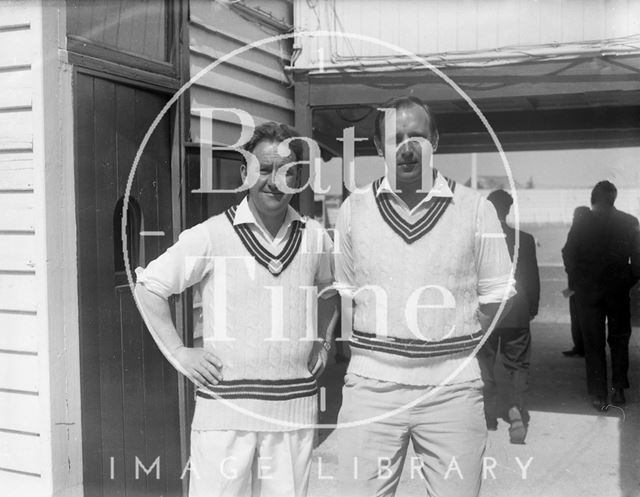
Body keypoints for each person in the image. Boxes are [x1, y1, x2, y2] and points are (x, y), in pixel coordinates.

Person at [134, 122, 338, 497]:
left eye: (286, 171)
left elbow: (328, 291)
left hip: (292, 414)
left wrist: (323, 343)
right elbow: (149, 287)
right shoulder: (212, 234)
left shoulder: (314, 237)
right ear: (245, 173)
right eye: (264, 168)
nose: (274, 181)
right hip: (225, 416)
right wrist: (179, 352)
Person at [334, 96, 515, 497]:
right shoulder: (354, 209)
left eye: (417, 135)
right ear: (379, 148)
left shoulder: (475, 208)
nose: (407, 146)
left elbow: (496, 295)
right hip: (371, 386)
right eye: (395, 138)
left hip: (452, 390)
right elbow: (347, 291)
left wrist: (453, 348)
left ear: (435, 139)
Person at [562, 181, 640, 411]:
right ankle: (618, 389)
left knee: (593, 343)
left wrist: (577, 282)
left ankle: (599, 394)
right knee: (619, 340)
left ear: (593, 198)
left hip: (588, 292)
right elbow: (638, 258)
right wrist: (628, 280)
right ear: (613, 198)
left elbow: (568, 252)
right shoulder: (630, 221)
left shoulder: (582, 221)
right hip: (618, 290)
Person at [479, 189, 540, 444]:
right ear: (508, 209)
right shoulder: (524, 239)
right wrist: (532, 307)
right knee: (518, 366)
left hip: (488, 310)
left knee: (485, 363)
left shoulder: (478, 240)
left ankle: (489, 416)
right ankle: (515, 412)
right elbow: (532, 278)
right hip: (517, 309)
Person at [561, 206, 590, 358]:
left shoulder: (576, 230)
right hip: (592, 282)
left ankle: (580, 347)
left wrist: (571, 270)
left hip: (576, 282)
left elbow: (566, 251)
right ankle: (586, 347)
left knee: (577, 315)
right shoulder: (596, 231)